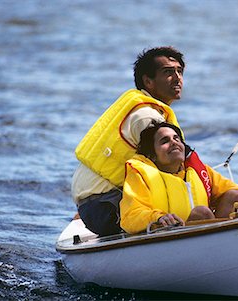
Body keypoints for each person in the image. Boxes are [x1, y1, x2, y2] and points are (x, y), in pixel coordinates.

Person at [71, 46, 186, 236]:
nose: (177, 78)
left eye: (179, 71)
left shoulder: (141, 109)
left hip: (93, 204)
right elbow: (170, 169)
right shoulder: (147, 117)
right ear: (148, 81)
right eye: (168, 72)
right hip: (106, 206)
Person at [120, 122, 238, 234]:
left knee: (237, 196)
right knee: (202, 213)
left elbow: (233, 189)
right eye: (165, 141)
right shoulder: (141, 175)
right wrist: (158, 217)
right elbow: (130, 216)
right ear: (152, 155)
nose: (174, 142)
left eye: (176, 138)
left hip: (204, 236)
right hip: (168, 239)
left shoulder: (198, 171)